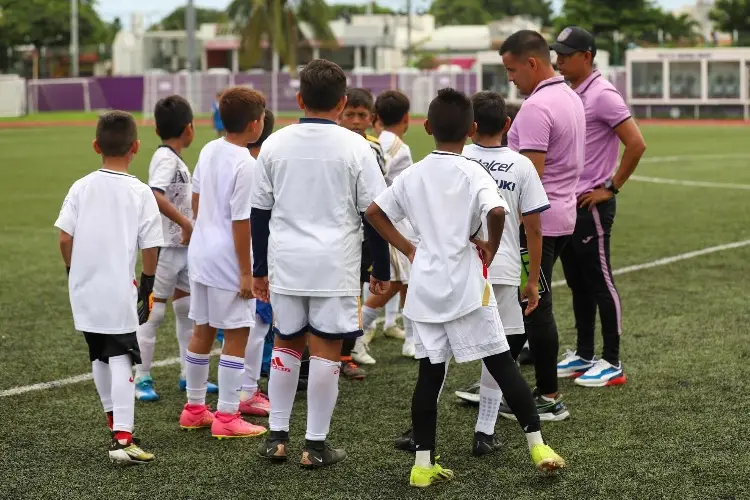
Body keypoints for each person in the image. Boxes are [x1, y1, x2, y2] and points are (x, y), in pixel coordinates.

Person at [366, 88, 565, 488]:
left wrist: (407, 247)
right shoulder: (473, 171)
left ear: (426, 128)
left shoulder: (414, 173)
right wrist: (490, 245)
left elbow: (373, 212)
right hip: (466, 285)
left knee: (430, 375)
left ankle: (423, 464)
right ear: (471, 128)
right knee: (502, 365)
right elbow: (495, 210)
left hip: (426, 288)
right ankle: (538, 445)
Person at [251, 59, 390, 467]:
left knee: (286, 345)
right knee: (327, 351)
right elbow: (375, 213)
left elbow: (259, 212)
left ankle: (277, 437)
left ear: (299, 99)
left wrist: (259, 269)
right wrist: (380, 269)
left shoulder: (274, 143)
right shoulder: (357, 146)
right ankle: (315, 445)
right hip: (335, 265)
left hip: (287, 263)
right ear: (343, 102)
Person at [55, 111, 163, 464]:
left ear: (96, 146)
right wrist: (148, 283)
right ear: (136, 147)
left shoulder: (80, 186)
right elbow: (151, 245)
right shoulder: (139, 191)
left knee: (99, 353)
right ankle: (123, 439)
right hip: (119, 290)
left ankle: (114, 422)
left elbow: (63, 238)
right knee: (123, 357)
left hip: (84, 288)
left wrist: (73, 270)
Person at [499, 30, 585, 421]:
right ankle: (506, 381)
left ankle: (548, 395)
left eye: (512, 69)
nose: (510, 78)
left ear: (532, 63)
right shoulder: (569, 96)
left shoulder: (536, 108)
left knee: (535, 305)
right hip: (563, 215)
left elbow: (529, 178)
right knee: (530, 305)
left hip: (538, 222)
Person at [552, 26, 646, 386]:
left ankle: (613, 362)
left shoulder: (603, 94)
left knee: (600, 281)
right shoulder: (572, 91)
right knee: (578, 282)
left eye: (565, 54)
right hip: (569, 204)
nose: (558, 60)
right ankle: (585, 354)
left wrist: (611, 188)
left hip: (592, 204)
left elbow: (636, 144)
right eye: (556, 53)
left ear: (586, 57)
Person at [178, 87, 267, 439]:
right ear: (255, 124)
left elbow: (196, 200)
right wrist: (248, 272)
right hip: (226, 257)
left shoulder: (210, 148)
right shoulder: (247, 164)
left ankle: (195, 408)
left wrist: (205, 232)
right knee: (236, 333)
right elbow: (242, 221)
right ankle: (228, 417)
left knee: (201, 330)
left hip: (200, 251)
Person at [133, 95, 219, 401]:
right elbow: (153, 194)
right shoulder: (167, 159)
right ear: (189, 129)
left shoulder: (174, 158)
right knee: (153, 315)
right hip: (166, 247)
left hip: (183, 249)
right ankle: (141, 378)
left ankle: (187, 373)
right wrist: (185, 222)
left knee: (187, 312)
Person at [336, 87, 394, 375]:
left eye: (362, 115)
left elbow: (377, 192)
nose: (356, 120)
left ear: (371, 118)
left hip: (364, 232)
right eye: (350, 115)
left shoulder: (374, 148)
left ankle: (346, 354)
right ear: (340, 115)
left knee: (355, 293)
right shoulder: (330, 145)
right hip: (337, 231)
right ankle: (316, 356)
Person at [357, 89, 418, 358]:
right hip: (389, 222)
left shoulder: (383, 140)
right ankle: (358, 334)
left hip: (396, 221)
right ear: (407, 117)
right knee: (391, 282)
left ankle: (411, 340)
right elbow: (379, 179)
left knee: (408, 280)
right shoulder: (392, 145)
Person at [239, 109, 276, 417]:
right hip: (254, 253)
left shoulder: (219, 155)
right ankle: (247, 390)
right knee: (258, 323)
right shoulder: (258, 166)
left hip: (223, 252)